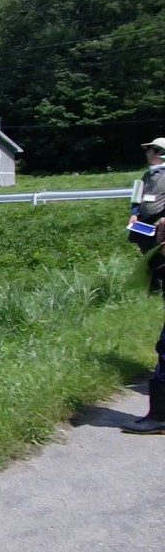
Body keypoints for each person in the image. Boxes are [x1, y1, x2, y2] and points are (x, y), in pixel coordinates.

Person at [124, 136, 165, 435]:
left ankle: (160, 416)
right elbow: (139, 200)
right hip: (150, 238)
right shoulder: (146, 177)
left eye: (150, 149)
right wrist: (136, 214)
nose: (148, 153)